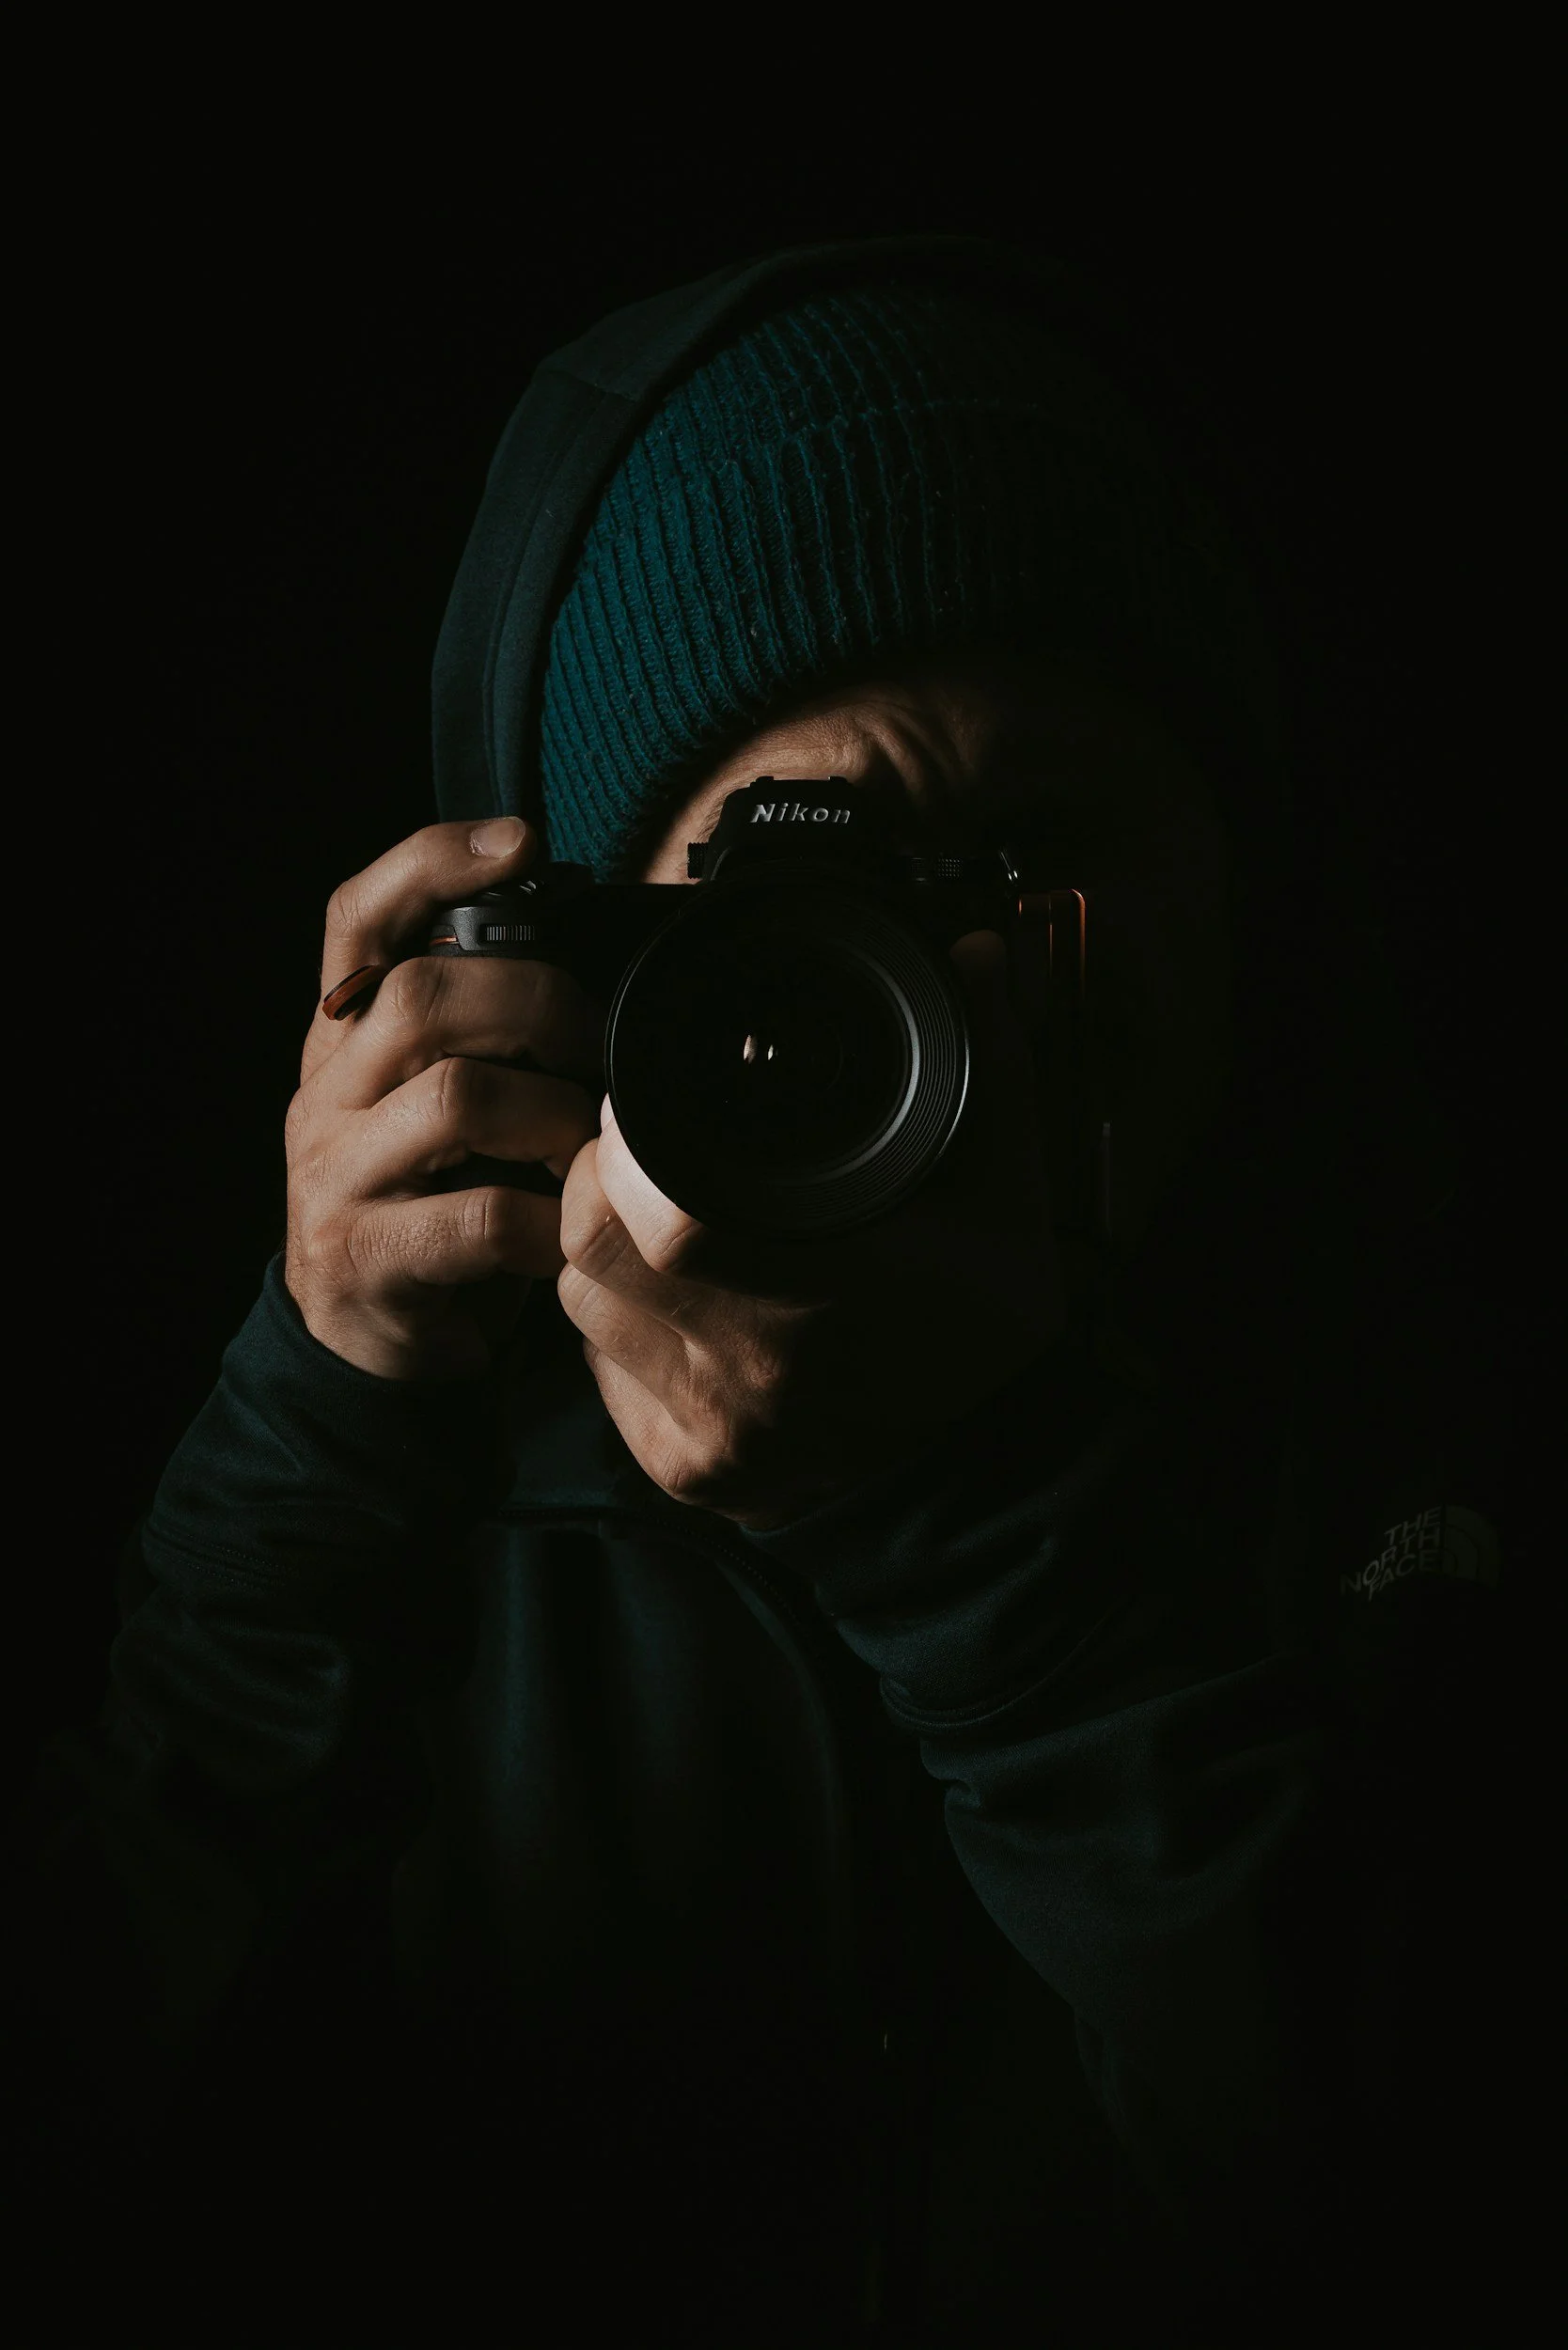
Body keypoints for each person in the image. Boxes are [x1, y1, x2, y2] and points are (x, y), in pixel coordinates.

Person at [17, 239, 1512, 2344]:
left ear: (1248, 874)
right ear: (602, 958)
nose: (962, 999)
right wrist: (315, 1422)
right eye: (820, 903)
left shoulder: (1450, 1435)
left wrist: (987, 1534)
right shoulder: (430, 1483)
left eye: (1047, 851)